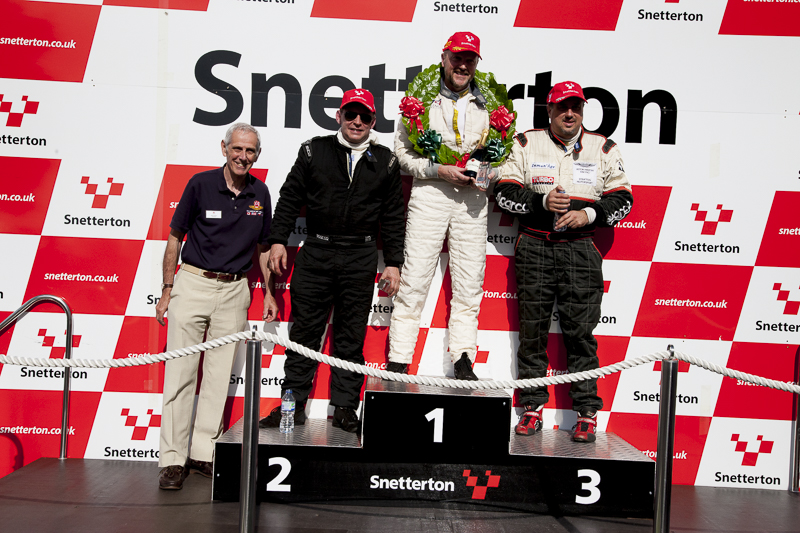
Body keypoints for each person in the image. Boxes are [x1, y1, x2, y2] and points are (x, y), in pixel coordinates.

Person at [258, 88, 405, 433]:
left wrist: (394, 262)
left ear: (373, 121)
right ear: (339, 116)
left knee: (350, 338)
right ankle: (291, 407)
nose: (357, 121)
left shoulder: (386, 160)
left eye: (365, 116)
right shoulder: (314, 150)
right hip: (317, 252)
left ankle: (345, 409)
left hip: (360, 256)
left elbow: (393, 217)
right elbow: (289, 197)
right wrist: (278, 240)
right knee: (304, 335)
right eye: (351, 114)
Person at [494, 81, 633, 443]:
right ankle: (531, 407)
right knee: (532, 332)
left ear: (583, 110)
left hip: (581, 247)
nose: (569, 114)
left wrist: (588, 214)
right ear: (550, 110)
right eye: (562, 107)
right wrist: (541, 203)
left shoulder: (604, 147)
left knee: (581, 334)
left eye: (576, 107)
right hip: (534, 244)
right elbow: (503, 191)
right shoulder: (525, 142)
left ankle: (586, 411)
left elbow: (623, 198)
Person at [155, 123, 277, 489]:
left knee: (218, 376)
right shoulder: (200, 184)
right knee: (180, 375)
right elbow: (175, 237)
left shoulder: (260, 192)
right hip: (193, 283)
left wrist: (269, 292)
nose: (243, 156)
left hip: (235, 289)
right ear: (224, 148)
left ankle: (204, 452)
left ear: (257, 155)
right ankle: (172, 460)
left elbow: (264, 248)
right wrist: (167, 288)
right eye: (237, 149)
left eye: (250, 151)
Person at [387, 31, 515, 380]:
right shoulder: (420, 100)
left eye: (469, 59)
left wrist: (483, 176)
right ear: (443, 58)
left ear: (477, 63)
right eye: (457, 57)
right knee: (414, 280)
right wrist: (437, 170)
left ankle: (463, 358)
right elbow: (402, 154)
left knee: (470, 283)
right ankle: (398, 359)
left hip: (473, 199)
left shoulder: (492, 105)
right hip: (430, 193)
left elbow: (506, 160)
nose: (463, 65)